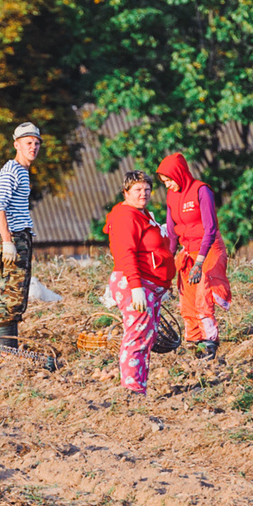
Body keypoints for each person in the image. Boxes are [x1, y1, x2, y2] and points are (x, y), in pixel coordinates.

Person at [103, 169, 176, 395]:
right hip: (134, 282)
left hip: (149, 283)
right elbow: (126, 254)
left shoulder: (142, 214)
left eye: (147, 189)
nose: (143, 193)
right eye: (137, 189)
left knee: (146, 337)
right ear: (126, 192)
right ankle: (131, 390)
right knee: (136, 336)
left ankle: (139, 387)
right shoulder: (126, 217)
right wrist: (136, 288)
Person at [156, 151, 230, 360]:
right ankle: (196, 344)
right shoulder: (172, 196)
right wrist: (168, 262)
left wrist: (199, 263)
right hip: (188, 251)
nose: (167, 185)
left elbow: (210, 229)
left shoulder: (201, 190)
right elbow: (172, 232)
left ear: (179, 174)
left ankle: (209, 343)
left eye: (169, 180)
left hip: (208, 250)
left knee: (202, 298)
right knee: (187, 301)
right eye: (164, 182)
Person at [0, 121, 42, 352]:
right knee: (12, 295)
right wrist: (6, 239)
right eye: (28, 143)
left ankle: (8, 348)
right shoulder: (13, 170)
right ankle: (2, 351)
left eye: (36, 143)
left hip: (20, 236)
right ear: (17, 145)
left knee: (18, 293)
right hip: (14, 237)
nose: (33, 147)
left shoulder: (22, 171)